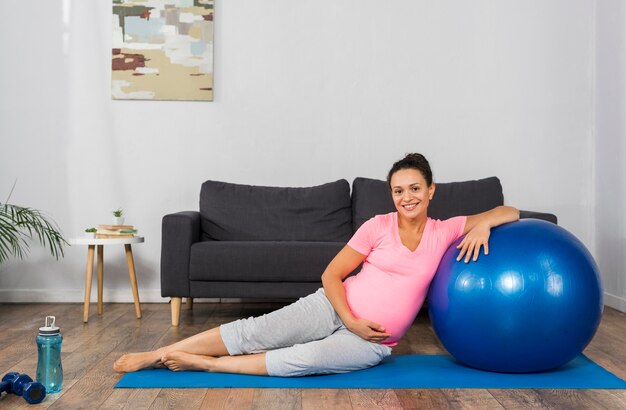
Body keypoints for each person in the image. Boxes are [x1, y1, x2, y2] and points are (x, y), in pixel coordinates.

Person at [113, 153, 519, 377]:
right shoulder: (377, 226)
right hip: (330, 306)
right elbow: (331, 274)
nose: (406, 197)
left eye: (415, 188)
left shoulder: (444, 230)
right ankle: (158, 353)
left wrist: (482, 225)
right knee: (256, 331)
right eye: (398, 190)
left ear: (431, 191)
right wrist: (349, 317)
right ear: (391, 195)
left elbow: (510, 210)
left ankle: (202, 364)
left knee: (304, 360)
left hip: (373, 342)